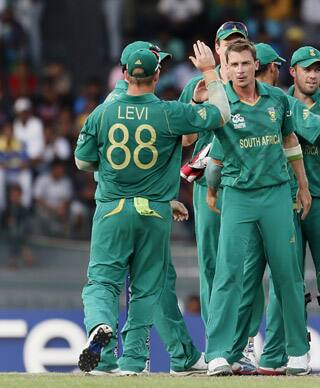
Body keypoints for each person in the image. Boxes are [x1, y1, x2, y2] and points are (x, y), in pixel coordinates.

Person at [74, 41, 229, 375]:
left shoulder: (103, 111)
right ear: (157, 74)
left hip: (112, 209)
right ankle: (132, 360)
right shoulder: (169, 112)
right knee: (146, 287)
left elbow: (83, 161)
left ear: (125, 73)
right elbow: (221, 115)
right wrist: (209, 72)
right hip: (154, 211)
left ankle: (101, 334)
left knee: (102, 282)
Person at [211, 43, 320, 376]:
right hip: (280, 199)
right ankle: (271, 352)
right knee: (279, 277)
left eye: (317, 68)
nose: (312, 74)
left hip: (319, 198)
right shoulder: (285, 103)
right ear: (287, 71)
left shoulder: (307, 104)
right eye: (304, 68)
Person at [202, 40, 311, 376]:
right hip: (238, 195)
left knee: (287, 273)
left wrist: (303, 185)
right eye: (233, 65)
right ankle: (218, 354)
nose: (240, 70)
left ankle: (297, 352)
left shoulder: (277, 99)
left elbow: (290, 141)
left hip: (277, 193)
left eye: (245, 64)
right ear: (227, 67)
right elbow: (215, 156)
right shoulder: (222, 102)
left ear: (255, 64)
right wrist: (211, 190)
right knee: (228, 273)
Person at [177, 23, 258, 345]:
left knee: (247, 263)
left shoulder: (251, 88)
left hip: (245, 184)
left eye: (238, 44)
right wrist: (198, 105)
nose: (230, 49)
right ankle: (217, 341)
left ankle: (247, 339)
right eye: (226, 44)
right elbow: (186, 139)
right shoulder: (197, 86)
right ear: (216, 48)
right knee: (211, 262)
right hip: (207, 186)